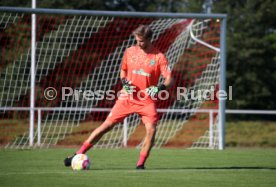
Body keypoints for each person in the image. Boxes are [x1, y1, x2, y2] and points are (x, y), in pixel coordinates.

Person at [64, 25, 173, 169]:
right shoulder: (130, 51)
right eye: (136, 40)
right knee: (106, 126)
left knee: (151, 130)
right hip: (126, 97)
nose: (138, 44)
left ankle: (140, 165)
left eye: (141, 41)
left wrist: (159, 88)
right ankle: (78, 154)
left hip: (146, 101)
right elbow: (123, 72)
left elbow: (170, 79)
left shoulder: (159, 57)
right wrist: (124, 82)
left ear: (149, 39)